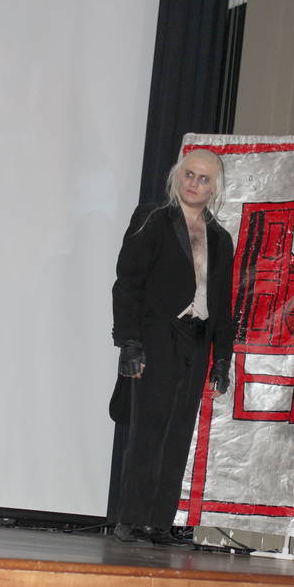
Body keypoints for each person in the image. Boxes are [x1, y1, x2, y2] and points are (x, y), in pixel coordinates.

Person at [111, 149, 234, 546]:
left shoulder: (220, 238)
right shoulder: (152, 218)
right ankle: (131, 518)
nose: (194, 183)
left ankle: (159, 522)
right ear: (177, 176)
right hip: (157, 336)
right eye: (189, 174)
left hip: (196, 341)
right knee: (148, 429)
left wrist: (222, 360)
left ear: (215, 188)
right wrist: (129, 342)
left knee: (179, 432)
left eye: (203, 179)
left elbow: (223, 304)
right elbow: (127, 283)